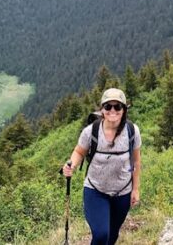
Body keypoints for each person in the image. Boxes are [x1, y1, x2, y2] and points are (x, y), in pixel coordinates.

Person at [62, 88, 141, 245]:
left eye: (117, 107)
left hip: (122, 192)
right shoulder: (91, 131)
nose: (113, 110)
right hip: (95, 190)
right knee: (101, 234)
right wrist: (72, 165)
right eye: (108, 106)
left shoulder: (132, 131)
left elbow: (136, 161)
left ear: (124, 110)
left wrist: (136, 189)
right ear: (102, 109)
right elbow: (79, 152)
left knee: (112, 235)